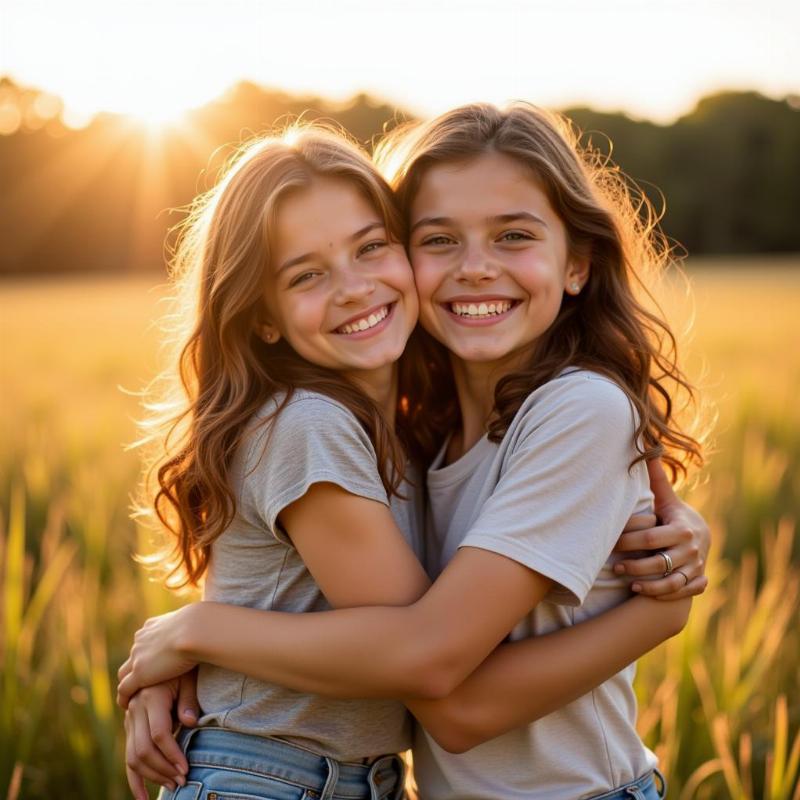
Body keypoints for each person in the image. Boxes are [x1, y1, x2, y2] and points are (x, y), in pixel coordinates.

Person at [119, 107, 708, 800]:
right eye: (439, 239)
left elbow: (442, 684)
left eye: (513, 235)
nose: (476, 268)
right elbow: (400, 652)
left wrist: (197, 635)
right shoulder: (390, 432)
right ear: (262, 314)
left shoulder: (574, 408)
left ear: (578, 262)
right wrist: (190, 647)